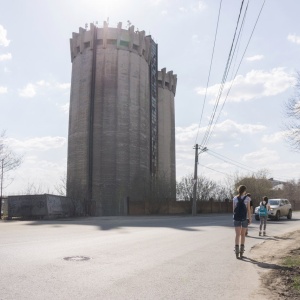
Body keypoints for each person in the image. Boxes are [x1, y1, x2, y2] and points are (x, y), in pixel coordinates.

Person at [233, 185, 251, 259]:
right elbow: (248, 210)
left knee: (237, 234)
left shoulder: (234, 198)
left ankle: (236, 250)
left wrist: (234, 218)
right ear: (244, 191)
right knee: (243, 234)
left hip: (236, 218)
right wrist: (249, 218)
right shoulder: (248, 198)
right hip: (244, 218)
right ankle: (241, 250)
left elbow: (234, 209)